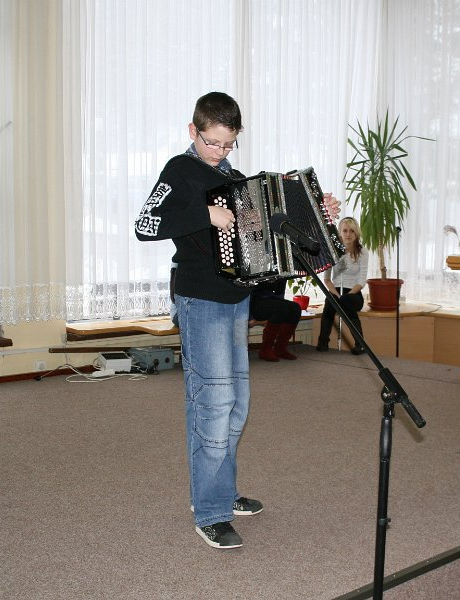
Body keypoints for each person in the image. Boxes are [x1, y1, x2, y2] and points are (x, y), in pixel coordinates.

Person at [134, 91, 338, 549]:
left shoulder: (236, 180)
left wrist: (317, 214)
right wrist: (202, 214)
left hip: (236, 299)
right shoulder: (180, 170)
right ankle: (210, 510)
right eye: (212, 142)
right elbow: (145, 224)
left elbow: (264, 234)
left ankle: (220, 492)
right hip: (200, 300)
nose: (220, 151)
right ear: (193, 130)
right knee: (213, 402)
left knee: (235, 402)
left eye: (229, 144)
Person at [316, 217, 369, 355]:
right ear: (339, 232)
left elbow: (361, 281)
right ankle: (322, 342)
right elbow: (327, 280)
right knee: (330, 301)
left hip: (354, 293)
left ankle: (360, 344)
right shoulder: (332, 251)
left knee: (346, 301)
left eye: (352, 231)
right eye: (345, 231)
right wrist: (337, 295)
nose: (348, 234)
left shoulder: (363, 252)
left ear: (356, 233)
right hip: (335, 291)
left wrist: (345, 297)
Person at [249, 279, 302, 361]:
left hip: (270, 299)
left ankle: (280, 349)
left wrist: (284, 309)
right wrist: (250, 317)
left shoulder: (281, 273)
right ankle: (265, 350)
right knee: (280, 308)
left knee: (295, 308)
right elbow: (247, 293)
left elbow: (280, 293)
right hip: (252, 302)